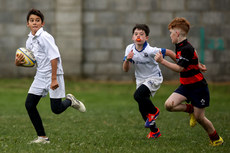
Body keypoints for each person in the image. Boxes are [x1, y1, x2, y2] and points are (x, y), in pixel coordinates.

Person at [15, 8, 86, 144]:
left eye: (37, 20)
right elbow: (32, 61)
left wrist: (54, 79)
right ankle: (42, 137)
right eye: (32, 20)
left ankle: (70, 101)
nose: (34, 22)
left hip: (54, 74)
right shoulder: (29, 40)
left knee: (56, 109)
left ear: (42, 23)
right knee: (29, 104)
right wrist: (18, 63)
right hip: (40, 75)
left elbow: (54, 58)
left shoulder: (45, 37)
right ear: (27, 24)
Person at [154, 17, 223, 146]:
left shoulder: (186, 48)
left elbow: (179, 67)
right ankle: (190, 109)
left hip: (198, 87)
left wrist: (162, 61)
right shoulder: (179, 45)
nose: (170, 35)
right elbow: (190, 55)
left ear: (177, 33)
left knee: (199, 118)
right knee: (169, 105)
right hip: (186, 86)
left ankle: (216, 139)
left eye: (171, 33)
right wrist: (197, 63)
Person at [123, 24, 176, 139]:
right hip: (141, 80)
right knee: (142, 106)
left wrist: (181, 63)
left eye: (141, 34)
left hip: (154, 78)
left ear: (146, 38)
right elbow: (125, 69)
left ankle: (154, 111)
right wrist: (127, 60)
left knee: (138, 95)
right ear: (132, 37)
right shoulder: (129, 49)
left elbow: (170, 52)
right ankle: (155, 131)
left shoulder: (151, 50)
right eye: (136, 34)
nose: (138, 36)